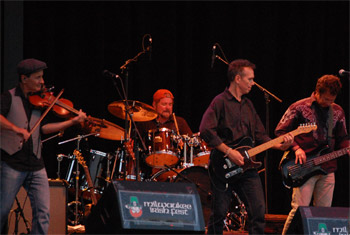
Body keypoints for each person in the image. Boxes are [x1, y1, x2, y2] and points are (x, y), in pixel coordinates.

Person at [199, 59, 294, 234]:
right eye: (250, 79)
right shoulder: (220, 102)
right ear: (237, 79)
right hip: (223, 166)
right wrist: (229, 151)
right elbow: (205, 129)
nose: (253, 83)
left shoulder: (249, 105)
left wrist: (280, 146)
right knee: (218, 214)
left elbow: (260, 135)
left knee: (258, 212)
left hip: (248, 167)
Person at [0, 58, 87, 234]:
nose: (42, 82)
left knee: (43, 213)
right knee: (2, 211)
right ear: (24, 79)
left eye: (42, 77)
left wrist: (73, 121)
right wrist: (15, 129)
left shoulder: (40, 102)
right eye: (38, 77)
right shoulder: (8, 97)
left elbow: (45, 128)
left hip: (36, 164)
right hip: (12, 163)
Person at [274, 74, 349, 234]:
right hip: (303, 166)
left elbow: (343, 138)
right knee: (299, 211)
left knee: (324, 213)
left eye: (332, 100)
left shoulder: (337, 111)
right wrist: (296, 148)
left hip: (328, 168)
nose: (329, 103)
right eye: (326, 99)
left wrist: (347, 147)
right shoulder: (299, 107)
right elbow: (280, 131)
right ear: (317, 92)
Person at [136, 89, 193, 178]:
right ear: (154, 105)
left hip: (175, 168)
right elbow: (135, 146)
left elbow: (191, 142)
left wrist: (185, 144)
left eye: (170, 104)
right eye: (164, 104)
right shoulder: (145, 122)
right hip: (148, 169)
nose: (167, 107)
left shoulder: (179, 122)